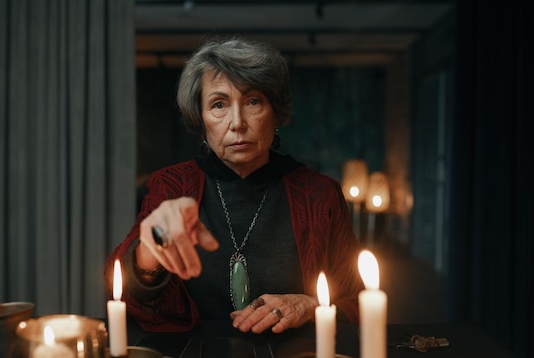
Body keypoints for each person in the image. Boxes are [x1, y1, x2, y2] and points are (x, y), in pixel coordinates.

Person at [105, 37, 364, 334]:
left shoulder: (320, 194)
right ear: (201, 121)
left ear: (276, 113)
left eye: (253, 101)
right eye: (219, 104)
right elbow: (122, 292)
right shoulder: (171, 186)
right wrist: (153, 247)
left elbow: (357, 301)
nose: (237, 122)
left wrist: (313, 307)